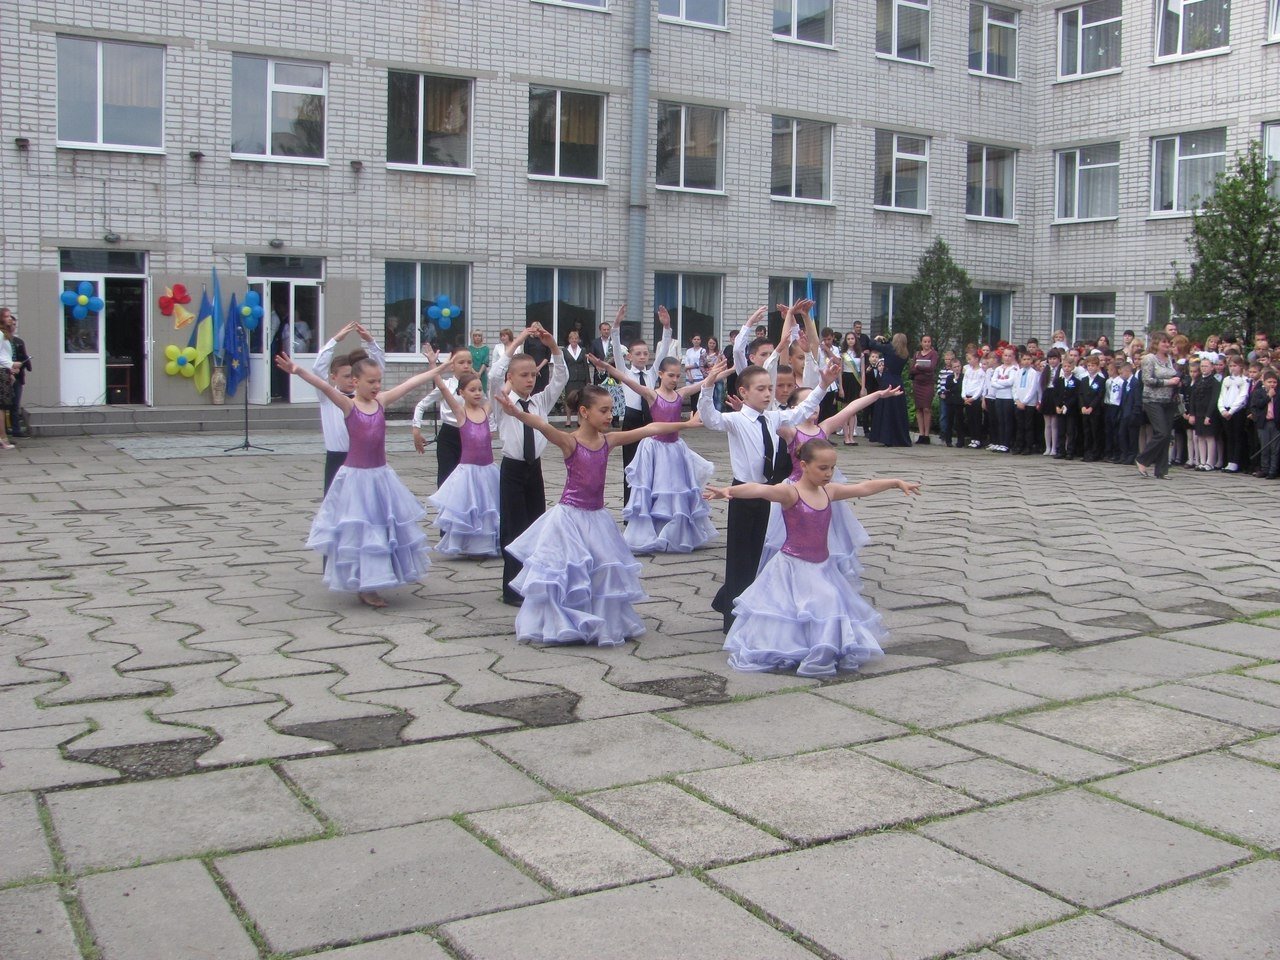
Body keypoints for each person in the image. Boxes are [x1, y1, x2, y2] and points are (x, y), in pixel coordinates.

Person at [497, 384, 699, 645]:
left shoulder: (609, 440)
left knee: (602, 569)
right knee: (569, 571)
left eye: (611, 410)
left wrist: (685, 425)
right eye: (603, 411)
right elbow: (542, 425)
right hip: (570, 518)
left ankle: (598, 619)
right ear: (584, 411)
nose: (609, 416)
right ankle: (563, 621)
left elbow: (650, 429)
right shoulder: (570, 442)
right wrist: (516, 413)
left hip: (597, 517)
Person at [705, 438, 920, 677]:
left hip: (822, 566)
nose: (829, 474)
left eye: (832, 468)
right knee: (815, 604)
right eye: (823, 468)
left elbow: (863, 488)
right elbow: (760, 489)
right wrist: (730, 491)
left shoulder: (830, 491)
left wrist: (895, 482)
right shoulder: (790, 493)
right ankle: (816, 656)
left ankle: (819, 650)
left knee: (825, 604)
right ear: (804, 465)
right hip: (793, 565)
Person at [273, 352, 446, 608]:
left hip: (380, 476)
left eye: (378, 381)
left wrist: (436, 370)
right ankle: (366, 585)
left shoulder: (382, 402)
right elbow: (322, 385)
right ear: (355, 382)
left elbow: (409, 384)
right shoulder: (349, 405)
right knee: (363, 533)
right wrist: (298, 370)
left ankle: (377, 577)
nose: (377, 386)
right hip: (356, 479)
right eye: (371, 382)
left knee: (382, 529)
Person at [698, 357, 838, 632]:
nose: (767, 394)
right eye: (760, 389)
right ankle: (733, 619)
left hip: (769, 492)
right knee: (741, 557)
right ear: (743, 392)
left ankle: (746, 605)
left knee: (761, 555)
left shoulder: (775, 417)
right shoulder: (736, 420)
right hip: (744, 493)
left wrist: (822, 385)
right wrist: (707, 385)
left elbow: (804, 409)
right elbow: (709, 419)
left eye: (769, 389)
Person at [759, 383, 900, 580]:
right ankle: (787, 575)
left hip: (821, 492)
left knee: (828, 534)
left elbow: (851, 408)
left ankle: (827, 575)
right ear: (795, 409)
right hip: (796, 491)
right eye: (808, 402)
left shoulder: (823, 428)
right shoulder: (791, 431)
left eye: (816, 402)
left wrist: (877, 394)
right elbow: (765, 419)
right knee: (788, 536)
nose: (814, 406)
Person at [589, 352, 716, 553]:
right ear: (660, 374)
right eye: (671, 375)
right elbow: (626, 379)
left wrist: (726, 370)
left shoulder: (680, 394)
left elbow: (704, 383)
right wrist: (605, 366)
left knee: (676, 489)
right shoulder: (652, 394)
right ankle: (653, 531)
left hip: (675, 448)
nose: (674, 380)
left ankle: (675, 532)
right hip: (655, 448)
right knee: (656, 488)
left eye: (677, 376)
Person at [489, 324, 569, 606]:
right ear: (511, 377)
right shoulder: (501, 401)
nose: (530, 380)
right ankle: (511, 589)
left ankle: (532, 581)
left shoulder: (539, 403)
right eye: (524, 375)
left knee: (536, 526)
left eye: (534, 375)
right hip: (512, 469)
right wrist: (520, 339)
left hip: (534, 469)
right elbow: (493, 374)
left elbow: (561, 378)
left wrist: (554, 347)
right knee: (513, 528)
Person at [427, 370, 500, 557]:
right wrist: (433, 366)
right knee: (470, 508)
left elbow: (501, 389)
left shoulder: (485, 410)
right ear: (461, 393)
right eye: (472, 390)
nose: (477, 393)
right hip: (468, 472)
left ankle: (484, 545)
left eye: (480, 389)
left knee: (487, 509)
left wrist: (515, 345)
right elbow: (443, 388)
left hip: (488, 470)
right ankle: (467, 544)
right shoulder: (460, 413)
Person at [314, 322, 387, 495]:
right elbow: (317, 369)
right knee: (334, 506)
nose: (350, 380)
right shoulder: (327, 397)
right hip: (337, 457)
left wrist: (371, 342)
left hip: (363, 458)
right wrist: (335, 341)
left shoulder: (365, 397)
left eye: (353, 377)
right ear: (333, 377)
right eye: (346, 376)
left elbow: (378, 369)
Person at [612, 305, 673, 505]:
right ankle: (631, 506)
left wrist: (666, 328)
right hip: (631, 420)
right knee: (630, 465)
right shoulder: (625, 373)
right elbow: (616, 351)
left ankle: (650, 504)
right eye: (637, 354)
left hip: (650, 421)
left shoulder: (652, 373)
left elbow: (663, 351)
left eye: (645, 353)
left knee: (651, 465)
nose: (642, 357)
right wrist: (616, 326)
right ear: (630, 356)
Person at [412, 348, 475, 487]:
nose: (466, 366)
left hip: (469, 435)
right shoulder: (446, 385)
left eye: (469, 362)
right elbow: (421, 405)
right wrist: (416, 429)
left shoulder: (476, 387)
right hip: (448, 435)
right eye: (461, 362)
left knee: (467, 479)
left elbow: (486, 410)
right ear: (452, 366)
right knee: (447, 478)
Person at [1136, 333, 1181, 479]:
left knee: (1166, 435)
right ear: (1156, 343)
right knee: (1161, 432)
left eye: (1169, 343)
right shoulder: (1149, 359)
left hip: (1168, 400)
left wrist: (1178, 382)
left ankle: (1161, 470)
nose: (1167, 345)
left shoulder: (1170, 359)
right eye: (1164, 342)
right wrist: (1168, 382)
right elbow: (1147, 380)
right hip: (1152, 400)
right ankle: (1143, 459)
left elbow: (1174, 375)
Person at [868, 333, 912, 446]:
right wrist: (885, 341)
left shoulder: (889, 349)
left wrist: (877, 338)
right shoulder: (905, 354)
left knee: (886, 408)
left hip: (887, 379)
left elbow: (872, 344)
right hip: (898, 380)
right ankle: (898, 437)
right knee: (897, 410)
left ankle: (885, 436)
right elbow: (889, 347)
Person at [0, 310, 30, 438]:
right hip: (3, 372)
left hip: (9, 372)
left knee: (9, 404)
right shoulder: (1, 335)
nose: (10, 320)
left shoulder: (11, 338)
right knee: (3, 406)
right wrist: (11, 365)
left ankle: (6, 435)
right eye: (7, 316)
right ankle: (4, 436)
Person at [1217, 355, 1249, 473]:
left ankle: (1236, 462)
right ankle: (1229, 461)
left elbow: (1242, 397)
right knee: (1229, 437)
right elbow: (1221, 396)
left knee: (1237, 436)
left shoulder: (1245, 380)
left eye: (1235, 366)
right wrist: (1222, 409)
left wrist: (1231, 411)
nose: (1232, 368)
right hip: (1226, 410)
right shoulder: (1226, 380)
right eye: (1230, 366)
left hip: (1237, 411)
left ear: (1240, 367)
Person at [1250, 368, 1280, 479]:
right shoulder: (1259, 393)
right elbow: (1258, 405)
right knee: (1264, 447)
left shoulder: (1278, 393)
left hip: (1276, 423)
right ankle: (1265, 469)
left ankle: (1273, 470)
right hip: (1264, 423)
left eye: (1274, 382)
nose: (1272, 384)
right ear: (1264, 382)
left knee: (1275, 448)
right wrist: (1269, 396)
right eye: (1269, 382)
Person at [1011, 350, 1042, 455]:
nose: (1026, 361)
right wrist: (1017, 400)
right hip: (1018, 402)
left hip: (1029, 403)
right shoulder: (1018, 372)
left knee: (1028, 425)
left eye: (1028, 359)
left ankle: (1028, 446)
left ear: (1032, 360)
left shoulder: (1034, 373)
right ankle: (1019, 445)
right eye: (1024, 359)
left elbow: (1033, 389)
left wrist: (1024, 401)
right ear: (1021, 360)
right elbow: (1014, 387)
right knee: (1019, 425)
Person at [910, 335, 939, 443]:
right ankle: (921, 433)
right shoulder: (917, 354)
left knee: (926, 408)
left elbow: (931, 368)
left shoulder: (933, 354)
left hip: (928, 384)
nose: (927, 344)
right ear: (921, 343)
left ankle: (927, 434)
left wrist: (919, 367)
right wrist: (921, 369)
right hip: (917, 383)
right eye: (925, 341)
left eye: (928, 341)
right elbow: (912, 369)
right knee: (919, 408)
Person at [839, 331, 865, 445]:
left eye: (852, 338)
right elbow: (839, 371)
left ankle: (851, 436)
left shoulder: (861, 354)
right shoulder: (843, 354)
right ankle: (845, 437)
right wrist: (840, 387)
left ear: (855, 340)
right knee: (845, 410)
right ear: (846, 340)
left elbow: (863, 372)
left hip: (856, 381)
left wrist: (863, 387)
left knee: (853, 411)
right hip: (846, 380)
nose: (850, 340)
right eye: (848, 339)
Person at [561, 329, 591, 427]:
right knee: (569, 399)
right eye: (572, 338)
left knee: (580, 399)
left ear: (578, 340)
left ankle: (579, 419)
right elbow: (563, 365)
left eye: (576, 338)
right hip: (569, 379)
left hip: (581, 379)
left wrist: (588, 380)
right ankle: (568, 419)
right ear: (569, 340)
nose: (574, 340)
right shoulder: (564, 350)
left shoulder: (583, 350)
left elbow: (585, 366)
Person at [1117, 360, 1142, 465]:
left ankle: (1132, 456)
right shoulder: (1125, 383)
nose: (1121, 375)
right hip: (1124, 414)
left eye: (1122, 373)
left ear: (1127, 371)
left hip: (1132, 415)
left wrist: (1134, 414)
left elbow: (1137, 400)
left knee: (1132, 437)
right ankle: (1124, 454)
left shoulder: (1135, 383)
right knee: (1122, 434)